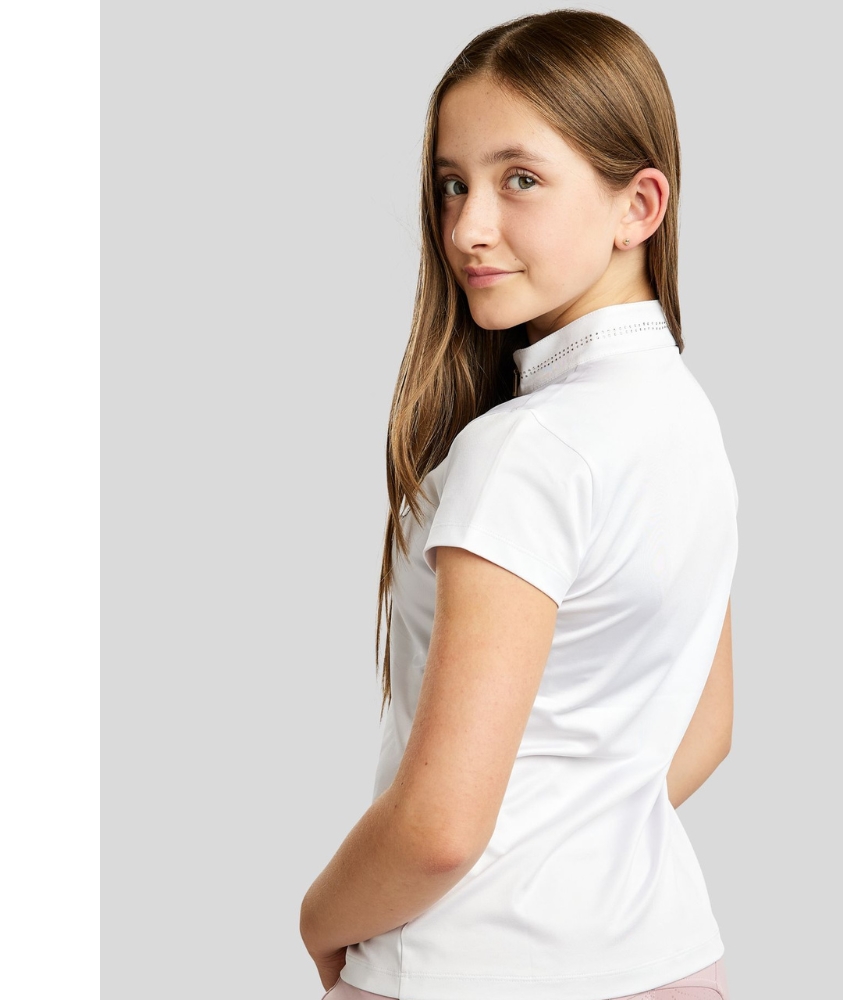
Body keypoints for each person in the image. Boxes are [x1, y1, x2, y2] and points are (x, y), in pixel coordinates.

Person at [300, 11, 738, 1000]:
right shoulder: (688, 422)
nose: (466, 228)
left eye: (520, 180)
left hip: (466, 971)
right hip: (669, 960)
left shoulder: (528, 450)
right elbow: (705, 727)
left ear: (639, 205)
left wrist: (321, 918)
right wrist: (577, 857)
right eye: (452, 183)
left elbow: (438, 830)